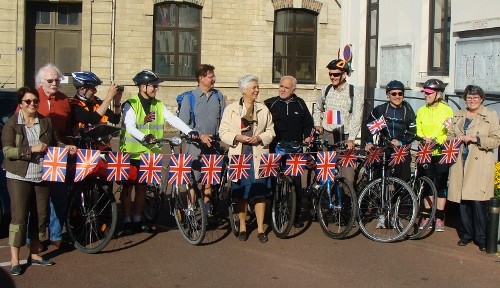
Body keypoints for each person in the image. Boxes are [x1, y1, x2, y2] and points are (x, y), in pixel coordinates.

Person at [2, 87, 76, 276]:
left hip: (41, 175)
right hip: (19, 176)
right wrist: (31, 149)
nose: (33, 104)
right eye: (28, 101)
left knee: (40, 215)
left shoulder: (45, 121)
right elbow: (8, 151)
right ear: (21, 104)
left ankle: (34, 254)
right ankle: (15, 260)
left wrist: (65, 147)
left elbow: (53, 143)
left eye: (35, 101)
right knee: (19, 217)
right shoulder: (12, 124)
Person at [119, 70, 198, 235]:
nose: (156, 88)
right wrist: (144, 136)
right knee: (127, 188)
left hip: (149, 154)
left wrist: (189, 131)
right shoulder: (131, 104)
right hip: (130, 153)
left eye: (157, 86)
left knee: (141, 188)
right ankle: (126, 220)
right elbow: (130, 126)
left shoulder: (158, 105)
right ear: (142, 87)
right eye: (154, 86)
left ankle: (138, 219)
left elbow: (172, 119)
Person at [219, 75, 275, 243]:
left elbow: (271, 131)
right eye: (254, 88)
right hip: (239, 155)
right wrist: (237, 137)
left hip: (259, 155)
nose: (257, 90)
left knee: (260, 194)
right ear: (244, 90)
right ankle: (243, 227)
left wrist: (260, 138)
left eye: (257, 87)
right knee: (241, 194)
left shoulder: (263, 109)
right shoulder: (231, 109)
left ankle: (260, 229)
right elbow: (223, 132)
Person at [447, 85, 500, 251]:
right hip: (460, 161)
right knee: (463, 201)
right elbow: (449, 136)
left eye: (476, 97)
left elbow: (496, 139)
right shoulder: (458, 115)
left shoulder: (490, 115)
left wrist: (476, 139)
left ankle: (481, 237)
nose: (472, 100)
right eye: (469, 97)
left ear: (482, 99)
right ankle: (466, 234)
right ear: (465, 99)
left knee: (478, 202)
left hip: (478, 163)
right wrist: (455, 140)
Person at [264, 75, 314, 228]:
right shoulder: (271, 103)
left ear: (293, 89)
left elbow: (308, 124)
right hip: (275, 148)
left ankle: (296, 214)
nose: (282, 89)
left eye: (286, 87)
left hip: (295, 149)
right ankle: (273, 213)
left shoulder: (300, 104)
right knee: (272, 182)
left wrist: (307, 137)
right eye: (280, 86)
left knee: (296, 183)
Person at [178, 64, 225, 215]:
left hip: (214, 145)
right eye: (211, 77)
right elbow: (184, 125)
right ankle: (191, 209)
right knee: (193, 179)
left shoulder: (218, 97)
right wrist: (199, 135)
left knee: (209, 178)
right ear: (201, 78)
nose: (214, 79)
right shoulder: (189, 98)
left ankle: (207, 209)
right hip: (195, 147)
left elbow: (225, 120)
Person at [35, 64, 72, 249]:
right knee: (39, 201)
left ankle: (56, 235)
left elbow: (69, 126)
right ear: (41, 82)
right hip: (38, 155)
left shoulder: (64, 100)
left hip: (58, 154)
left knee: (59, 197)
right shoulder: (32, 98)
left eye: (57, 80)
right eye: (50, 80)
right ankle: (38, 238)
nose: (54, 83)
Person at [313, 59, 364, 186]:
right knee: (326, 174)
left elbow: (357, 118)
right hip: (327, 135)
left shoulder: (354, 93)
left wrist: (351, 138)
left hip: (345, 136)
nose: (332, 77)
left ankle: (347, 202)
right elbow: (318, 109)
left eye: (336, 74)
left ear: (344, 74)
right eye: (330, 74)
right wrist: (318, 124)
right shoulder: (326, 90)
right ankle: (326, 202)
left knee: (347, 175)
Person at [415, 78, 454, 232]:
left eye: (429, 93)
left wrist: (437, 140)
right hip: (425, 151)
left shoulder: (447, 111)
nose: (426, 95)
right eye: (425, 92)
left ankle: (439, 217)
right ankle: (427, 216)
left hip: (440, 151)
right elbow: (418, 129)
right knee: (426, 184)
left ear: (438, 94)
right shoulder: (422, 110)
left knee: (441, 185)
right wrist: (424, 138)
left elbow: (449, 131)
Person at [365, 80, 416, 182]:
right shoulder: (381, 110)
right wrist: (369, 142)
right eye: (394, 94)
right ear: (388, 95)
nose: (397, 96)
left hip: (401, 148)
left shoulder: (408, 112)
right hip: (384, 146)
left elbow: (412, 133)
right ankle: (377, 194)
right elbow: (370, 127)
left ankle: (401, 196)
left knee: (403, 176)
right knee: (377, 174)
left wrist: (401, 142)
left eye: (400, 93)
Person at [70, 71, 122, 137]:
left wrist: (117, 101)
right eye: (92, 88)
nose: (95, 91)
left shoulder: (96, 102)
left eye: (95, 87)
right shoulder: (74, 105)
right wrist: (109, 97)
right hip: (83, 145)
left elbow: (115, 119)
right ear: (82, 89)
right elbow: (93, 119)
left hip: (102, 146)